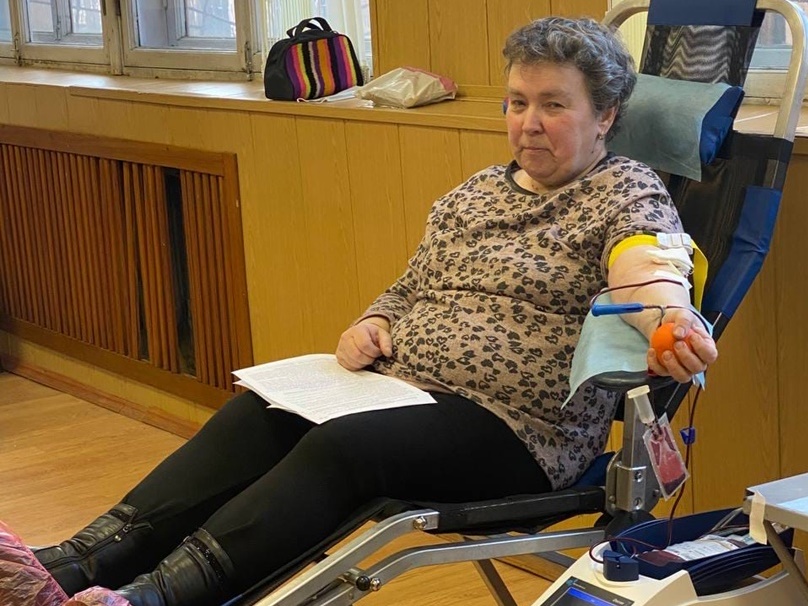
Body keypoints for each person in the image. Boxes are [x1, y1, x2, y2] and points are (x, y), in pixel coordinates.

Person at [26, 16, 717, 606]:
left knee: (345, 447)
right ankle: (70, 567)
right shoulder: (477, 192)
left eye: (553, 105)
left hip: (519, 430)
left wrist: (669, 320)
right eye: (516, 102)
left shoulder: (624, 190)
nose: (528, 124)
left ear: (606, 115)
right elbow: (411, 285)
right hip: (403, 392)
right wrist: (373, 323)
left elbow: (647, 271)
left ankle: (153, 597)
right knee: (259, 413)